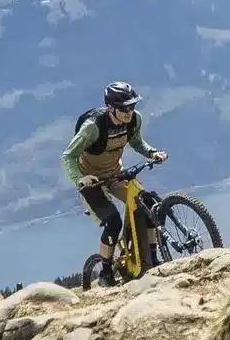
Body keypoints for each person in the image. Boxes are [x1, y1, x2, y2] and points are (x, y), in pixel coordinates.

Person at [63, 81, 168, 267]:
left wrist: (152, 153)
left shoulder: (135, 119)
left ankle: (153, 258)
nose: (129, 112)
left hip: (115, 174)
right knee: (113, 221)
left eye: (132, 106)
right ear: (111, 108)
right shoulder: (92, 127)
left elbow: (137, 142)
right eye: (124, 109)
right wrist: (80, 179)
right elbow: (68, 156)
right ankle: (106, 271)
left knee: (148, 204)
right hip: (91, 182)